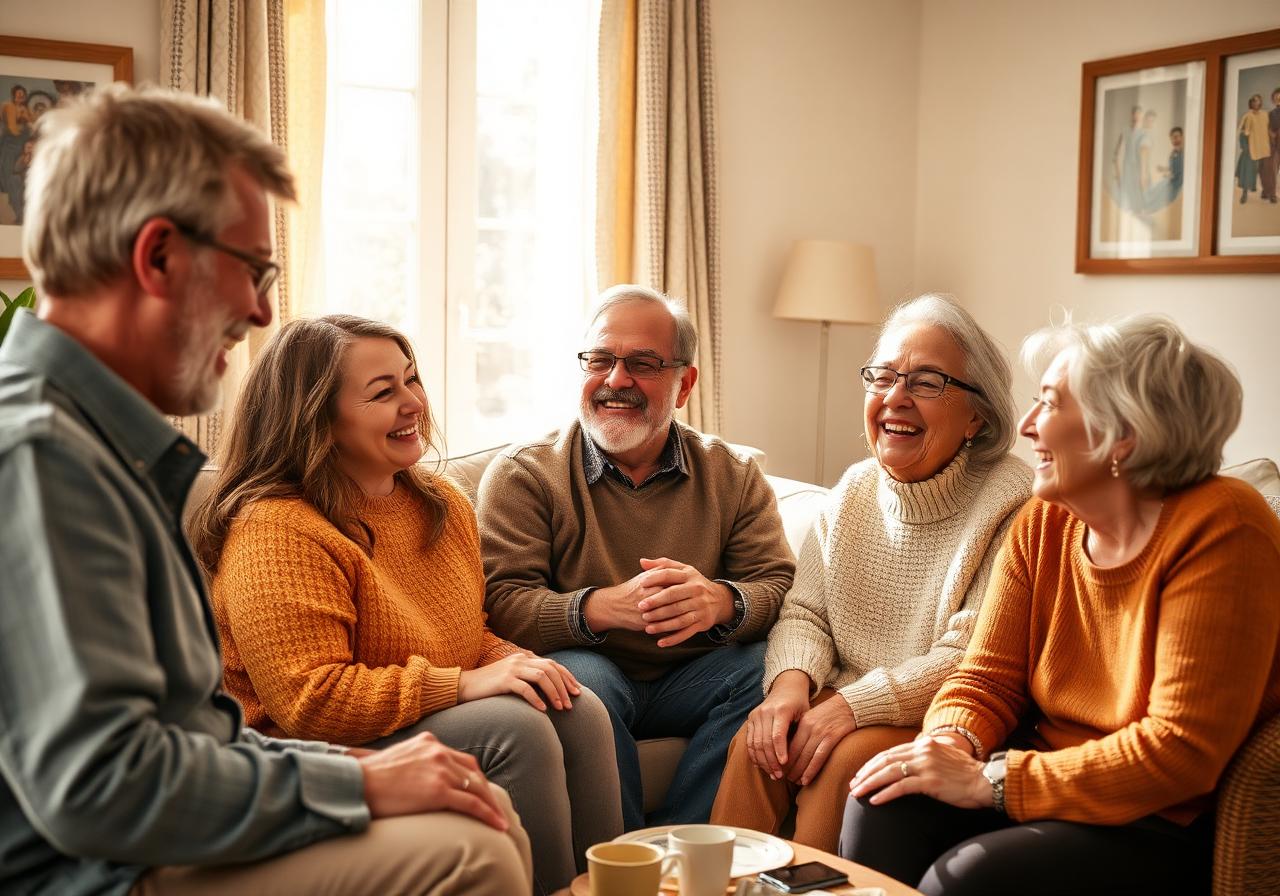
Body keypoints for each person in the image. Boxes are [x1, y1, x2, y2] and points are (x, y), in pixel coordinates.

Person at [0, 84, 531, 896]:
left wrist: (355, 768)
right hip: (90, 873)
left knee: (476, 798)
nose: (261, 309)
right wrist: (358, 782)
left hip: (143, 837)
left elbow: (194, 738)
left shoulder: (99, 446)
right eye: (251, 269)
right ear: (158, 257)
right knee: (472, 848)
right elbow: (98, 788)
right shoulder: (43, 458)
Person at [839, 314, 1280, 896]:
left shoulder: (1224, 527)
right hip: (1034, 772)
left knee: (971, 878)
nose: (1025, 427)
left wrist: (993, 783)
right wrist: (948, 744)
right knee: (882, 798)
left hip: (1159, 813)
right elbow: (987, 677)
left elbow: (1179, 752)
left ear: (1119, 432)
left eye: (1048, 404)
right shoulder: (1045, 519)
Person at [190, 313, 622, 895]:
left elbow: (465, 636)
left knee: (577, 705)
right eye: (382, 392)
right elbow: (310, 702)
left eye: (411, 379)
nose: (413, 402)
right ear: (317, 418)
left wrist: (517, 663)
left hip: (406, 715)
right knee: (514, 728)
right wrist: (466, 685)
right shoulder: (278, 529)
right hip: (302, 749)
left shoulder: (440, 502)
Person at [710, 295, 1031, 852]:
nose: (896, 399)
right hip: (841, 697)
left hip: (942, 717)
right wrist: (788, 691)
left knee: (847, 763)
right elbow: (806, 611)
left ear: (977, 415)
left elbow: (970, 653)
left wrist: (851, 708)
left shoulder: (1012, 499)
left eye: (927, 383)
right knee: (758, 744)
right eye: (883, 376)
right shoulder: (854, 488)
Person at [478, 284, 796, 830]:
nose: (616, 380)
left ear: (684, 382)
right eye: (600, 360)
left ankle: (687, 849)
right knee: (581, 683)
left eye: (643, 363)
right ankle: (622, 865)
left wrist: (721, 602)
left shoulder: (733, 474)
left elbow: (778, 585)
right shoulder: (524, 474)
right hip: (586, 665)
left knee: (765, 671)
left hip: (693, 672)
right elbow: (499, 604)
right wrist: (600, 608)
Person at [0, 84, 33, 222]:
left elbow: (32, 124)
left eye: (23, 94)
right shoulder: (8, 106)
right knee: (9, 178)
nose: (21, 97)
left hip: (21, 147)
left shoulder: (25, 109)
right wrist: (23, 121)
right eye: (18, 94)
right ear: (14, 95)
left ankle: (23, 212)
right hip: (9, 147)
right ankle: (16, 211)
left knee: (20, 179)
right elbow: (13, 129)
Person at [1142, 125, 1184, 213]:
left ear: (1181, 137)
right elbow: (1173, 168)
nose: (1175, 140)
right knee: (1155, 189)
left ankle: (1148, 210)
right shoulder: (1173, 153)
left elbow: (1180, 171)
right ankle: (1144, 208)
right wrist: (1163, 169)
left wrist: (1170, 175)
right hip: (1171, 180)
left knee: (1160, 193)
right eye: (1173, 138)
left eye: (1177, 137)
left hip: (1176, 184)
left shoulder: (1183, 154)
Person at [1237, 93, 1270, 204]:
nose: (1257, 103)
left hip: (1264, 148)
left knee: (1264, 172)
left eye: (1259, 101)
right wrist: (1245, 146)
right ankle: (1244, 193)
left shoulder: (1265, 114)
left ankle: (1266, 192)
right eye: (1255, 101)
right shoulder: (1247, 116)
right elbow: (1242, 133)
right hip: (1251, 147)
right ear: (1251, 103)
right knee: (1247, 171)